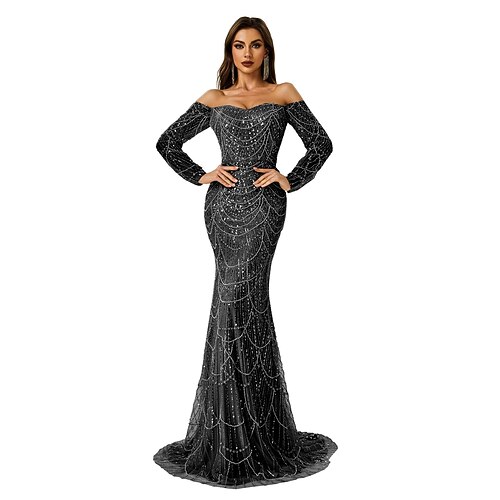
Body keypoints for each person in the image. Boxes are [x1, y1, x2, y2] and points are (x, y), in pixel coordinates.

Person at [153, 16, 338, 488]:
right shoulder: (214, 99)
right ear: (230, 51)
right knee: (229, 300)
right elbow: (167, 142)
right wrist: (201, 174)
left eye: (256, 45)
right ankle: (229, 429)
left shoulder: (284, 93)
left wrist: (289, 178)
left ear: (266, 51)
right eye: (239, 45)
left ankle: (258, 430)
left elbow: (321, 144)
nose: (248, 53)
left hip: (264, 206)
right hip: (222, 207)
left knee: (242, 299)